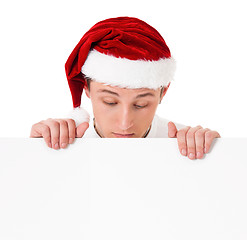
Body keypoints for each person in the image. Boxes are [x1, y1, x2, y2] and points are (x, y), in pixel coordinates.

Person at [30, 16, 220, 160]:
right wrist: (31, 155)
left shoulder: (184, 145)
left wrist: (217, 157)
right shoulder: (61, 144)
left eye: (141, 104)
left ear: (164, 91)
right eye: (110, 102)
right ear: (86, 88)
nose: (124, 123)